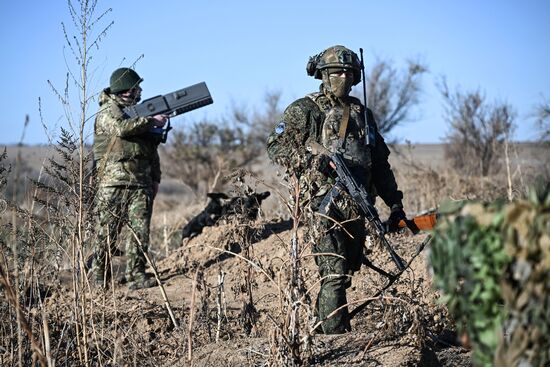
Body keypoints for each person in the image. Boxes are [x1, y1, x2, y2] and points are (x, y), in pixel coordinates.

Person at [266, 45, 408, 334]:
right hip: (322, 207)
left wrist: (394, 203)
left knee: (346, 272)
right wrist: (310, 160)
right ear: (323, 74)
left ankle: (322, 331)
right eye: (336, 72)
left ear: (356, 77)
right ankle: (336, 338)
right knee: (334, 273)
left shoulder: (362, 113)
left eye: (348, 72)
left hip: (356, 205)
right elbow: (275, 146)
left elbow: (379, 164)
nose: (343, 77)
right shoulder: (305, 110)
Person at [91, 67, 168, 290]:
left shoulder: (138, 114)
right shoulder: (107, 111)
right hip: (112, 183)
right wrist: (150, 121)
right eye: (135, 88)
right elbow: (121, 129)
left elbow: (151, 150)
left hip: (141, 183)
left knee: (139, 232)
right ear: (124, 90)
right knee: (107, 232)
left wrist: (155, 178)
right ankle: (99, 279)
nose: (139, 91)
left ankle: (135, 276)